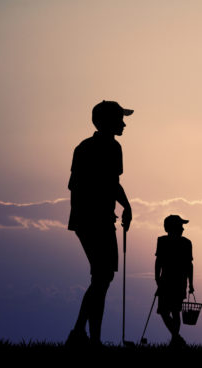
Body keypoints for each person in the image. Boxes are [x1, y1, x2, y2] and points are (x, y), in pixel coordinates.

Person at [66, 100, 133, 347]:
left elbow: (107, 183)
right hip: (95, 219)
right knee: (102, 277)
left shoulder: (84, 147)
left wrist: (125, 205)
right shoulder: (111, 148)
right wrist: (123, 206)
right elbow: (107, 183)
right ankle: (82, 335)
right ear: (105, 122)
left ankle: (87, 336)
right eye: (119, 119)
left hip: (89, 219)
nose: (124, 123)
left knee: (101, 278)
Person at [155, 215, 195, 347]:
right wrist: (157, 279)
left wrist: (191, 284)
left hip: (175, 281)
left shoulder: (185, 242)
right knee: (169, 311)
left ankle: (176, 339)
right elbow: (159, 261)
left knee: (171, 311)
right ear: (172, 227)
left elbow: (189, 265)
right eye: (180, 226)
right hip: (170, 281)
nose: (183, 228)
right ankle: (176, 338)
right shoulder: (165, 241)